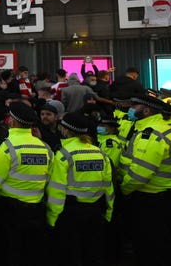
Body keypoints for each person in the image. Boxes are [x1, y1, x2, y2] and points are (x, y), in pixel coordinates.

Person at [119, 95, 171, 266]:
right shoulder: (159, 127)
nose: (131, 109)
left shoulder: (152, 135)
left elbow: (139, 175)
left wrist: (124, 190)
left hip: (150, 199)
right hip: (162, 197)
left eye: (135, 106)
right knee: (162, 244)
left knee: (149, 248)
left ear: (146, 110)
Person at [0, 103, 52, 266]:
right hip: (37, 209)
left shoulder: (7, 148)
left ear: (12, 122)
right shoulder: (45, 148)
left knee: (11, 253)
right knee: (31, 254)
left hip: (10, 212)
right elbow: (50, 179)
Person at [46, 112, 114, 266]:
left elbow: (57, 191)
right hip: (95, 212)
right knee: (93, 254)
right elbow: (108, 188)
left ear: (67, 130)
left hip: (71, 215)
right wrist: (108, 213)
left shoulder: (64, 155)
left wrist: (52, 219)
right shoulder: (100, 153)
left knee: (72, 255)